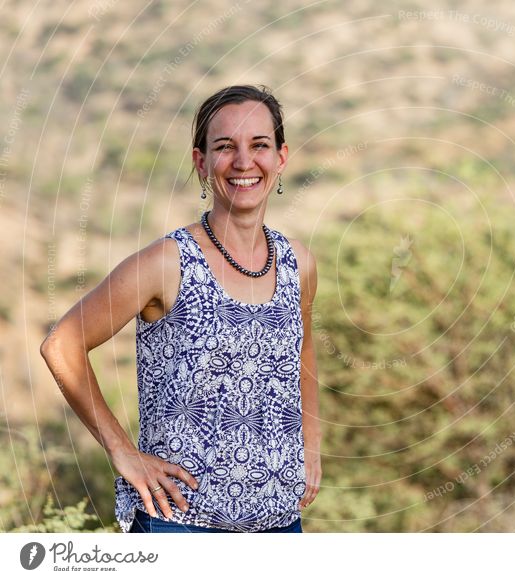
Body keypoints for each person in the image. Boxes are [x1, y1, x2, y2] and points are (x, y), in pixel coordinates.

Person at [40, 85, 322, 533]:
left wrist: (312, 442)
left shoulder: (298, 263)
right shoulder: (166, 263)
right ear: (201, 162)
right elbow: (62, 344)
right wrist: (121, 451)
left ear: (281, 158)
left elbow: (302, 354)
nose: (244, 162)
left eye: (259, 145)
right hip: (179, 524)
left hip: (278, 523)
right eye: (225, 147)